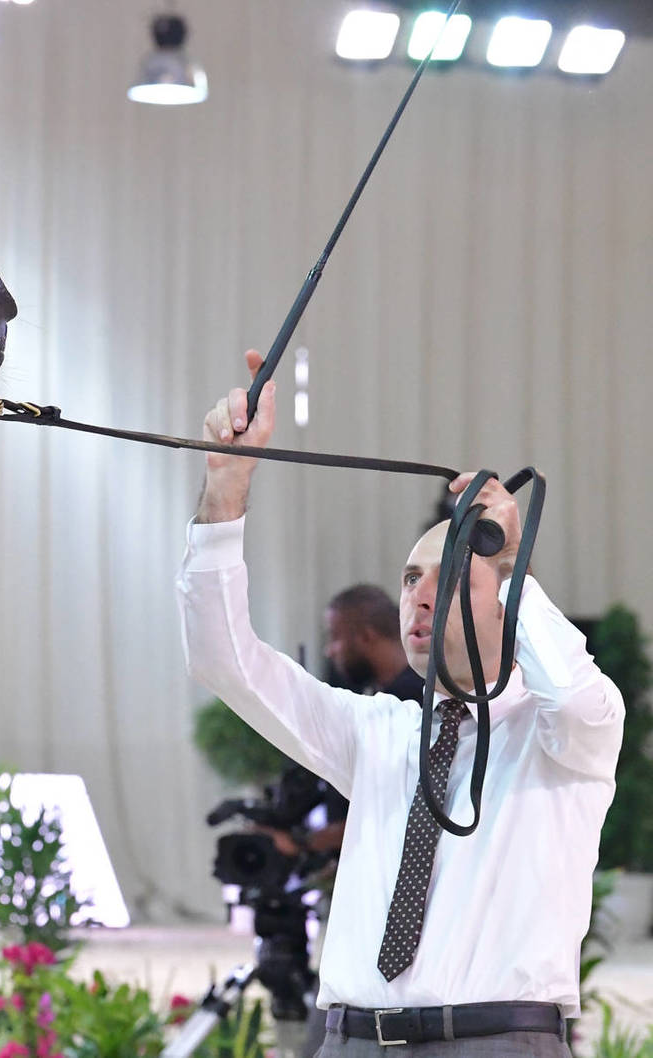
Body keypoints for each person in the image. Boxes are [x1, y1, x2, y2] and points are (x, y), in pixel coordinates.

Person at [177, 351, 623, 1056]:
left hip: (496, 1042)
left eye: (445, 577)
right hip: (350, 1039)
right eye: (410, 577)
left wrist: (505, 557)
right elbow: (222, 659)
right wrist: (225, 487)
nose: (417, 595)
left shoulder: (562, 735)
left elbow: (568, 694)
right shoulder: (378, 729)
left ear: (508, 597)